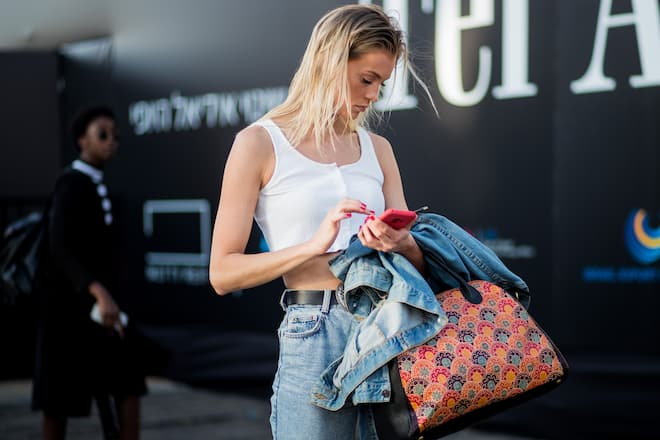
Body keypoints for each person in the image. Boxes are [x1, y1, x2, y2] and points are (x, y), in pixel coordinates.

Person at [209, 4, 434, 438]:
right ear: (330, 61)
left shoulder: (378, 149)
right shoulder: (258, 143)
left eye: (381, 84)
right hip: (316, 329)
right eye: (366, 79)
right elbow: (222, 273)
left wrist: (401, 244)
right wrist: (314, 245)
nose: (373, 96)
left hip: (388, 329)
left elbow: (416, 265)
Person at [31, 105, 147, 440]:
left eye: (116, 136)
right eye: (102, 134)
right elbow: (60, 248)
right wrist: (98, 291)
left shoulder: (99, 184)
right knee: (58, 400)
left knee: (127, 381)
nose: (112, 141)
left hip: (102, 313)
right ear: (82, 140)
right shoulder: (70, 183)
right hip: (67, 313)